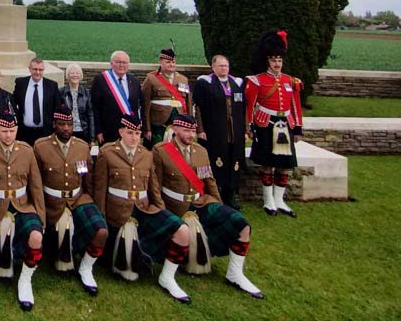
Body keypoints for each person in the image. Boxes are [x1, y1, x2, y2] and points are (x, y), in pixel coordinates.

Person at [152, 113, 263, 298]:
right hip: (174, 205)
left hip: (200, 202)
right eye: (186, 130)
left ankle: (235, 273)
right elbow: (155, 185)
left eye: (193, 131)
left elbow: (209, 181)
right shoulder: (161, 150)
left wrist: (219, 206)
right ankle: (167, 276)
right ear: (175, 129)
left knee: (242, 225)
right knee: (182, 232)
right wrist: (161, 209)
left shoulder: (201, 151)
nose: (190, 135)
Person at [93, 111, 191, 303]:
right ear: (120, 131)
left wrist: (161, 210)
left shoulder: (146, 155)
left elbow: (153, 188)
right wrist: (101, 219)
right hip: (118, 213)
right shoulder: (107, 153)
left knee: (182, 231)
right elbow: (100, 190)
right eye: (130, 133)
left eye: (137, 133)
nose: (134, 137)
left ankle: (167, 276)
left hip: (145, 209)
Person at [0, 107, 46, 311]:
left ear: (17, 130)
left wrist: (41, 218)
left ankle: (25, 279)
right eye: (4, 130)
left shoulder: (27, 151)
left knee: (36, 237)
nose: (8, 134)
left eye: (12, 130)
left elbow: (36, 187)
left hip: (23, 206)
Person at [33, 102, 108, 296]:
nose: (66, 129)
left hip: (78, 199)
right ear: (54, 124)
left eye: (69, 125)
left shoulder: (82, 147)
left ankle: (85, 267)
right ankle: (58, 258)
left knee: (101, 231)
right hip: (52, 201)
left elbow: (88, 178)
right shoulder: (41, 147)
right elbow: (35, 182)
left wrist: (93, 202)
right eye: (62, 124)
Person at [245, 31, 303, 217]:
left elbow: (296, 106)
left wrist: (298, 127)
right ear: (267, 61)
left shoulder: (290, 81)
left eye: (279, 60)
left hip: (285, 125)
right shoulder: (257, 81)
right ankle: (268, 200)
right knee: (267, 164)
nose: (277, 64)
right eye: (273, 60)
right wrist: (250, 126)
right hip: (265, 124)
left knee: (284, 164)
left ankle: (280, 200)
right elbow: (250, 106)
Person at [193, 54, 247, 209]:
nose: (224, 69)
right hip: (215, 132)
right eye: (221, 66)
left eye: (226, 66)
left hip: (234, 132)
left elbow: (244, 109)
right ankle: (217, 195)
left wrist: (245, 129)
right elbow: (197, 107)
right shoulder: (205, 83)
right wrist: (200, 129)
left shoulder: (237, 83)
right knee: (217, 163)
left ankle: (231, 195)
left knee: (234, 161)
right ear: (213, 67)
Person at [141, 47, 191, 148]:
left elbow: (188, 102)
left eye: (173, 62)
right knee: (156, 151)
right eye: (168, 62)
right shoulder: (151, 79)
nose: (171, 64)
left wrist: (190, 124)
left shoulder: (183, 79)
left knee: (178, 150)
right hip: (158, 123)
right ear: (160, 62)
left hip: (178, 121)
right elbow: (145, 105)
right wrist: (147, 128)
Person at [90, 50, 142, 146]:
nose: (121, 65)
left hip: (130, 130)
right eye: (118, 62)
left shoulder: (134, 81)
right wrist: (98, 131)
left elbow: (139, 105)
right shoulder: (101, 80)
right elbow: (94, 107)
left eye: (124, 62)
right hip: (108, 131)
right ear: (111, 63)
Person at [13, 57, 61, 146]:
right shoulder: (21, 83)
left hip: (45, 132)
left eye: (40, 70)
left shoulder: (52, 85)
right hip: (24, 132)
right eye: (35, 69)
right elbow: (13, 103)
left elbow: (57, 107)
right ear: (29, 69)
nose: (38, 72)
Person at [60, 63, 95, 144]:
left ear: (81, 76)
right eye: (72, 73)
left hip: (83, 131)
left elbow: (90, 116)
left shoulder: (87, 93)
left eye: (77, 73)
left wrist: (92, 138)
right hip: (66, 131)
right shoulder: (61, 92)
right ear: (68, 75)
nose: (75, 75)